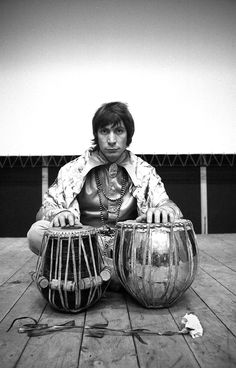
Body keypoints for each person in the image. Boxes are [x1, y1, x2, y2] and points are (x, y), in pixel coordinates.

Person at [27, 101, 182, 267]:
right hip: (83, 245)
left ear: (128, 135)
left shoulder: (143, 170)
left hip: (128, 245)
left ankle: (96, 269)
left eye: (119, 131)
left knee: (175, 234)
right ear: (96, 134)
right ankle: (116, 272)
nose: (112, 140)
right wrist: (57, 214)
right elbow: (43, 211)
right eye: (104, 131)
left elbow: (169, 205)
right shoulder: (74, 169)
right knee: (36, 233)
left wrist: (164, 210)